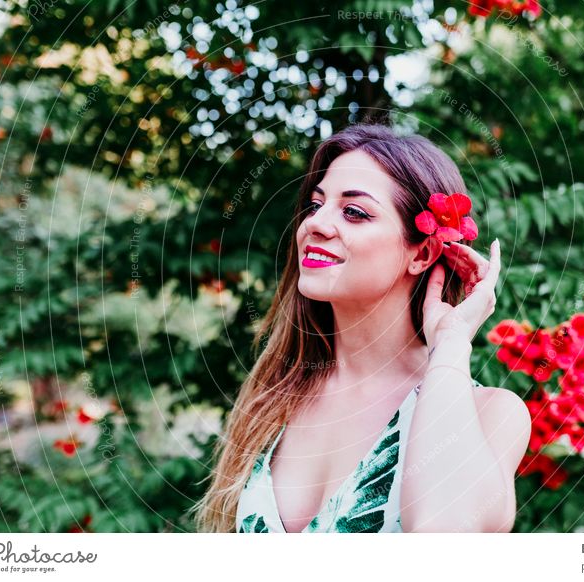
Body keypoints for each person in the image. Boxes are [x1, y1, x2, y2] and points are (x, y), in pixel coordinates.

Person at [193, 122, 530, 533]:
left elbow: (444, 531)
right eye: (316, 205)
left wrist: (453, 342)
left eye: (354, 212)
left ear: (422, 253)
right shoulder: (273, 397)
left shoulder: (490, 413)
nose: (315, 224)